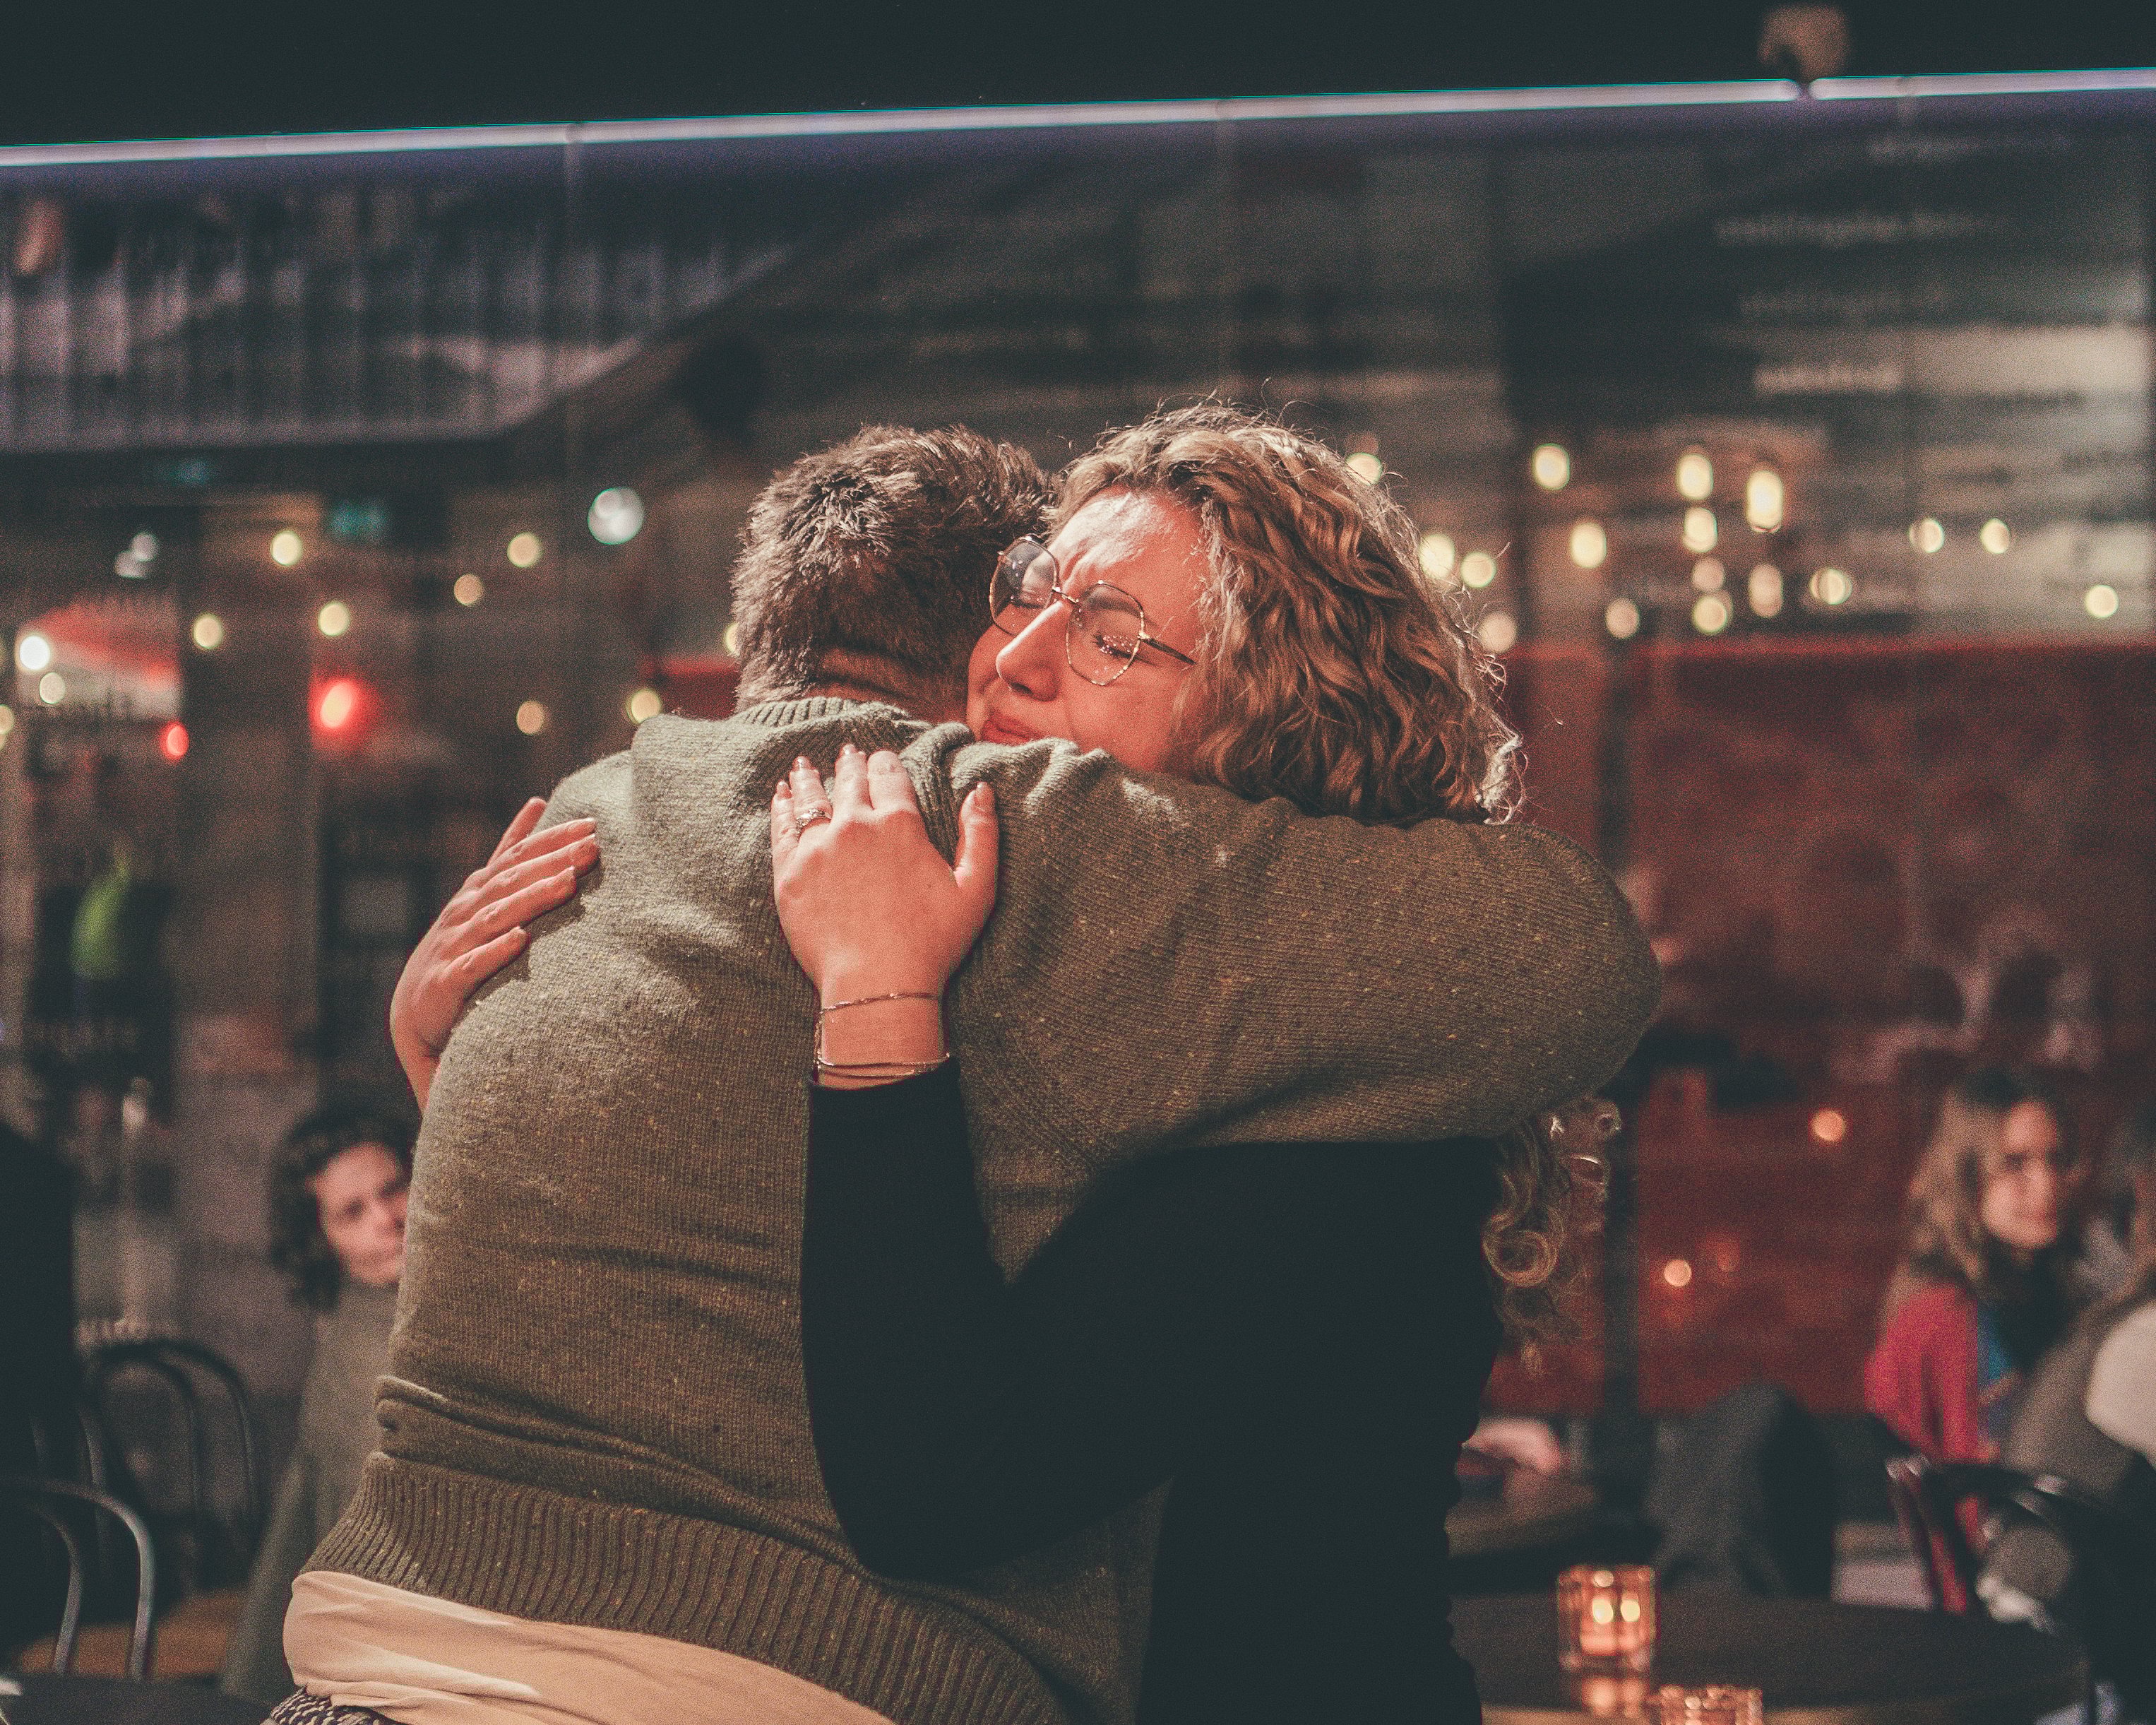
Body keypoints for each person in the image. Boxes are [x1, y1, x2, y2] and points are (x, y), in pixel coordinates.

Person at [284, 414, 1657, 1725]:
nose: (1013, 662)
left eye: (1111, 636)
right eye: (1028, 595)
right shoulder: (1019, 904)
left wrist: (867, 1006)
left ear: (1269, 718)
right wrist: (459, 1074)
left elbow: (939, 1469)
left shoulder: (644, 808)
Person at [220, 1101, 417, 1706]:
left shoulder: (411, 1306)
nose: (387, 1219)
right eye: (351, 1212)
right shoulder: (362, 1342)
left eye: (395, 1189)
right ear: (323, 1240)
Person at [1866, 1069, 2100, 1466]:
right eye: (2014, 1164)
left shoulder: (2061, 1291)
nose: (2046, 1183)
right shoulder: (1941, 1313)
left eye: (2055, 1160)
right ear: (1965, 1175)